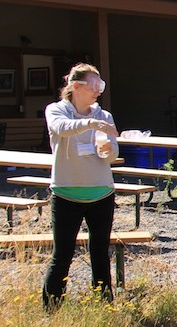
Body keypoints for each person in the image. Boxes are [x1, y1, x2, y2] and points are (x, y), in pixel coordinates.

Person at [42, 63, 119, 309]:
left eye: (101, 86)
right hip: (66, 194)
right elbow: (61, 129)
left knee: (100, 253)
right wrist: (91, 124)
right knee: (63, 254)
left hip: (101, 193)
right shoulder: (56, 110)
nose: (98, 91)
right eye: (94, 85)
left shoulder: (104, 115)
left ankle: (104, 305)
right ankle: (52, 308)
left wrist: (109, 150)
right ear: (75, 86)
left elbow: (113, 152)